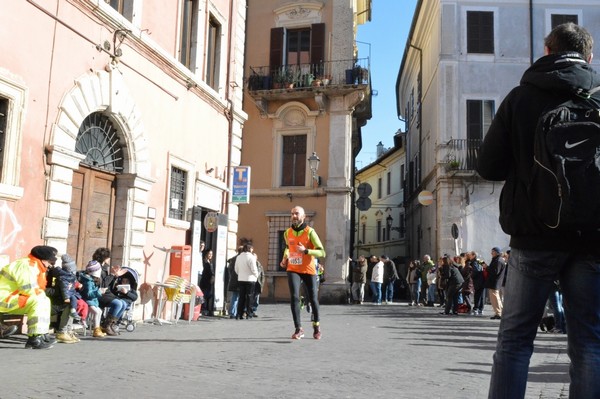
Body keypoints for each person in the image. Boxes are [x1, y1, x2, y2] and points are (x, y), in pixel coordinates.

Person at [477, 22, 600, 398]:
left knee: (515, 340)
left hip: (534, 232)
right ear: (589, 56)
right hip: (593, 239)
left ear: (547, 51)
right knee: (590, 341)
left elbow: (488, 167)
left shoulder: (520, 98)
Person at [280, 205, 326, 340]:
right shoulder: (287, 232)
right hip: (293, 268)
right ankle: (298, 329)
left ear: (303, 216)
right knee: (294, 297)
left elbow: (322, 252)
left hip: (308, 269)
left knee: (313, 298)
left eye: (297, 214)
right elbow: (288, 248)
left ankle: (316, 326)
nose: (294, 216)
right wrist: (284, 258)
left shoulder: (310, 231)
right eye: (292, 214)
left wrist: (306, 251)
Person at [0, 246, 56, 349]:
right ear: (43, 259)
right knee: (38, 301)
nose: (51, 265)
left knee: (45, 300)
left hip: (11, 297)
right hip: (4, 299)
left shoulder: (34, 266)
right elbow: (29, 289)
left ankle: (42, 334)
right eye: (50, 262)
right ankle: (34, 338)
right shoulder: (27, 266)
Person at [99, 265, 138, 335]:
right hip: (118, 299)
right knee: (120, 303)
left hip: (126, 301)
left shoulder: (131, 289)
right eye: (123, 281)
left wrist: (127, 293)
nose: (125, 282)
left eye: (126, 281)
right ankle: (108, 323)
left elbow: (135, 297)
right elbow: (113, 292)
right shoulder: (118, 287)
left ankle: (112, 323)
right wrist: (117, 290)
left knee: (122, 303)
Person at [78, 261, 106, 338]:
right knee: (97, 312)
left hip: (92, 301)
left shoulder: (91, 279)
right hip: (87, 301)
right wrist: (99, 292)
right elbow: (88, 294)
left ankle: (97, 328)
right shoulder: (88, 281)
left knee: (99, 311)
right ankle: (96, 330)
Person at [234, 244, 259, 319]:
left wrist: (240, 274)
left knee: (241, 297)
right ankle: (249, 313)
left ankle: (239, 314)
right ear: (249, 249)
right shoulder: (251, 257)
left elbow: (236, 269)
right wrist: (256, 275)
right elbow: (254, 269)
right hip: (250, 279)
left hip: (241, 279)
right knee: (249, 296)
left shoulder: (238, 257)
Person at [485, 247, 507, 320]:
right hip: (495, 282)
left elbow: (495, 272)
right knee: (496, 298)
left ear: (497, 252)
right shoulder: (497, 260)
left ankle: (498, 313)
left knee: (495, 298)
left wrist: (487, 268)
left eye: (493, 251)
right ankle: (499, 312)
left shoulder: (498, 261)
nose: (491, 253)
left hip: (495, 282)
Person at [226, 246, 242, 319]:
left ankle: (233, 312)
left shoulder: (233, 259)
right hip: (239, 280)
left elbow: (229, 269)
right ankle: (233, 313)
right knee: (237, 297)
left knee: (234, 297)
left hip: (233, 280)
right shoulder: (240, 259)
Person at [199, 249, 215, 316]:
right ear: (206, 254)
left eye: (211, 254)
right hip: (205, 281)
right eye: (209, 254)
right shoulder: (204, 262)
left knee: (208, 295)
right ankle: (203, 309)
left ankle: (206, 309)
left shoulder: (210, 262)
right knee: (204, 295)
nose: (210, 255)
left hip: (209, 281)